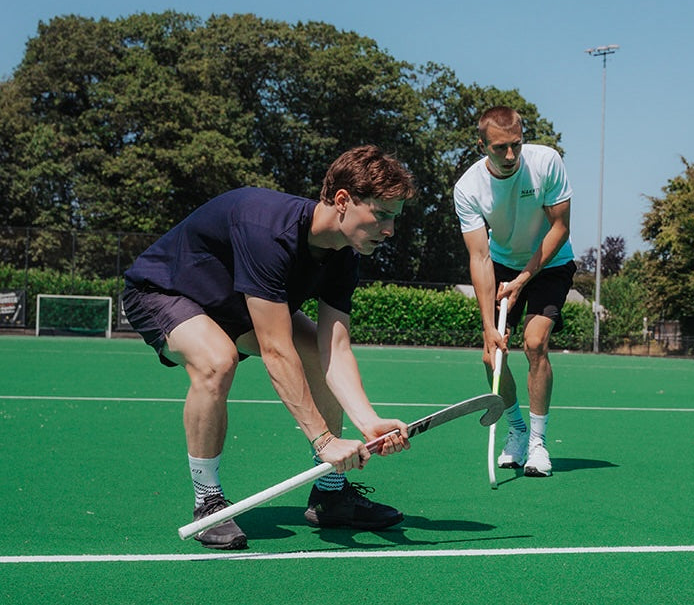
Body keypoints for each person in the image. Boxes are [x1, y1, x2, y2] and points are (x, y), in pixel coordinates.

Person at [122, 145, 417, 550]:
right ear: (344, 201)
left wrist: (368, 422)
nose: (389, 230)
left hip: (237, 304)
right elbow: (276, 351)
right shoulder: (268, 231)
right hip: (164, 291)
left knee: (314, 347)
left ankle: (330, 494)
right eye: (382, 214)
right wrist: (324, 440)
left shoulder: (345, 253)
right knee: (217, 361)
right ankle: (208, 502)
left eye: (394, 218)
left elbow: (335, 346)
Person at [453, 106, 576, 478]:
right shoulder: (468, 187)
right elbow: (479, 255)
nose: (510, 156)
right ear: (482, 146)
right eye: (500, 148)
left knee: (535, 342)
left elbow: (560, 228)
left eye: (516, 145)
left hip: (551, 261)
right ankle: (517, 432)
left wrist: (524, 278)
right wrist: (488, 325)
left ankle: (537, 443)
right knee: (492, 358)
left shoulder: (546, 162)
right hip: (502, 264)